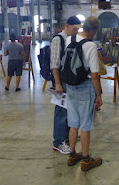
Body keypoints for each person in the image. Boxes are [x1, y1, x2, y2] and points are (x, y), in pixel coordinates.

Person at [65, 16, 103, 171]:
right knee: (85, 125)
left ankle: (72, 155)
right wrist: (99, 95)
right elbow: (94, 75)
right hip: (84, 87)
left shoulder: (70, 39)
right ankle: (87, 160)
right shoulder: (90, 46)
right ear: (94, 30)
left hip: (70, 86)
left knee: (73, 123)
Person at [50, 16, 82, 154]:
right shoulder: (58, 39)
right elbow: (54, 64)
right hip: (61, 81)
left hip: (69, 81)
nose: (76, 31)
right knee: (61, 111)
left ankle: (68, 136)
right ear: (67, 26)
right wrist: (57, 83)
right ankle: (58, 142)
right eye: (75, 29)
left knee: (70, 109)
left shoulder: (71, 40)